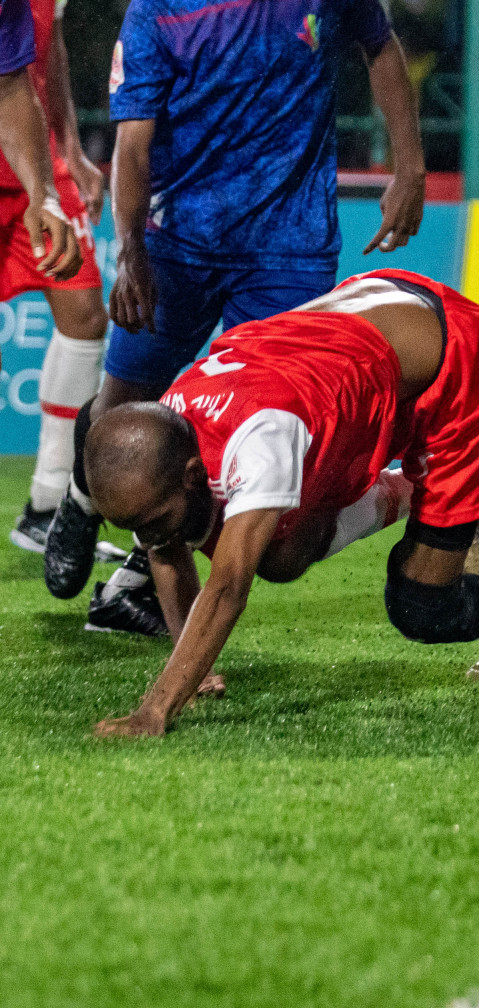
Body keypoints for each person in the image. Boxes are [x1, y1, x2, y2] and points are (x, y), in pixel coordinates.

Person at [44, 0, 428, 637]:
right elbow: (132, 145)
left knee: (252, 435)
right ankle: (82, 500)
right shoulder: (156, 11)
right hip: (177, 242)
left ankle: (137, 585)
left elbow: (381, 48)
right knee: (120, 413)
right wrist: (131, 248)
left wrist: (410, 167)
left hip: (290, 246)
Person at [83, 269, 479, 739]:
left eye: (152, 522)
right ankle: (425, 490)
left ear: (192, 476)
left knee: (423, 607)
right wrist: (192, 673)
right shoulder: (164, 436)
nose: (148, 538)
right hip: (361, 344)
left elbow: (228, 587)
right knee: (279, 555)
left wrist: (156, 708)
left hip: (460, 358)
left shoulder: (261, 438)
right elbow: (165, 548)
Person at [4, 0, 122, 568]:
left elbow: (40, 58)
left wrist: (70, 149)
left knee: (83, 315)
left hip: (27, 151)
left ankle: (49, 505)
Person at [0, 0, 83, 378]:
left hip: (26, 163)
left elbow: (9, 87)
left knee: (85, 313)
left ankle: (60, 442)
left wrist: (43, 193)